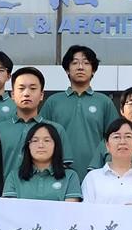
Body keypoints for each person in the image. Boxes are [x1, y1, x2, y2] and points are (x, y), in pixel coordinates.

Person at [40, 45, 118, 180]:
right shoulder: (53, 101)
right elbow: (40, 136)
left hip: (97, 175)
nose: (80, 67)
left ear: (93, 70)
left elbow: (114, 139)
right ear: (67, 70)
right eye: (75, 63)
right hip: (58, 174)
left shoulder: (104, 102)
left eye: (86, 63)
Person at [0, 67, 72, 177]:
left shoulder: (56, 130)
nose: (26, 93)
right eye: (21, 88)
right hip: (5, 187)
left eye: (32, 88)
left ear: (41, 95)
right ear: (12, 95)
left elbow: (64, 168)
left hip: (44, 188)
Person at [81, 119, 132, 204]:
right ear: (107, 145)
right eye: (116, 137)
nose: (122, 142)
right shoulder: (92, 178)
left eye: (128, 136)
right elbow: (86, 211)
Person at [3, 123, 82, 202]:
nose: (40, 145)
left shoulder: (70, 176)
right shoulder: (14, 176)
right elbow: (10, 208)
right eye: (35, 140)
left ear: (56, 145)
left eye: (47, 140)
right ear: (28, 146)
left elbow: (70, 208)